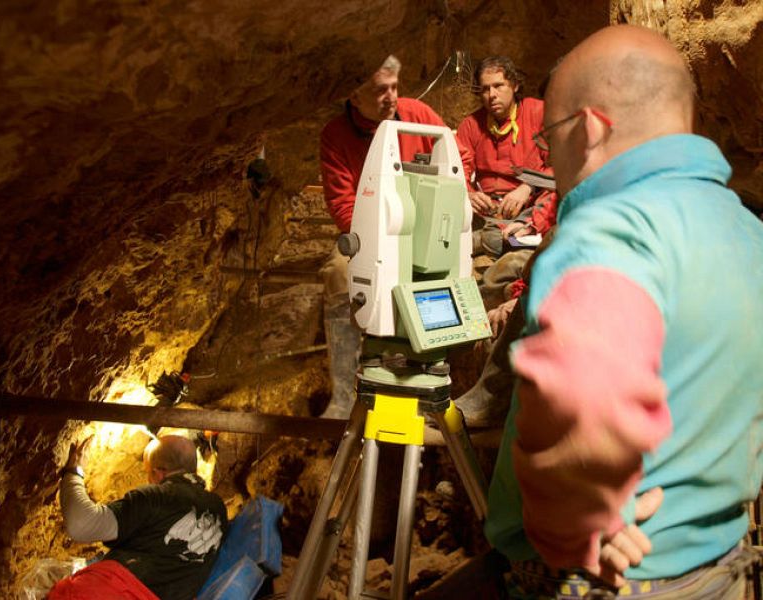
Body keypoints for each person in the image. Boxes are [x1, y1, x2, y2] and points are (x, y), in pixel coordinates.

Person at [485, 24, 763, 598]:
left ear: (588, 128)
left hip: (608, 579)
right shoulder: (744, 228)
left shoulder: (608, 233)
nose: (548, 159)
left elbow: (581, 397)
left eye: (549, 142)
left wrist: (579, 528)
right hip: (719, 567)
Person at [318, 55, 461, 419]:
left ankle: (428, 371)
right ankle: (343, 389)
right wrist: (381, 237)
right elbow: (341, 203)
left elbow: (460, 160)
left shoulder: (418, 116)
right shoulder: (336, 136)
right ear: (354, 95)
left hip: (427, 229)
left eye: (395, 87)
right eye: (380, 90)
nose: (391, 97)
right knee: (337, 273)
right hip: (371, 233)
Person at [48, 435, 228, 600]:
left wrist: (74, 473)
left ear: (159, 474)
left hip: (113, 591)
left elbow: (81, 525)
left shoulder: (157, 496)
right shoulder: (218, 508)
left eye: (148, 474)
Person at [456, 56, 558, 259]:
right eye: (485, 89)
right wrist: (468, 195)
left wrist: (527, 186)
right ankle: (496, 237)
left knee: (557, 193)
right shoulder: (470, 125)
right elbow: (458, 169)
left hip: (528, 206)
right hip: (487, 213)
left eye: (498, 86)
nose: (491, 95)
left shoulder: (538, 113)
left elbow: (560, 166)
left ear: (515, 85)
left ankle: (516, 232)